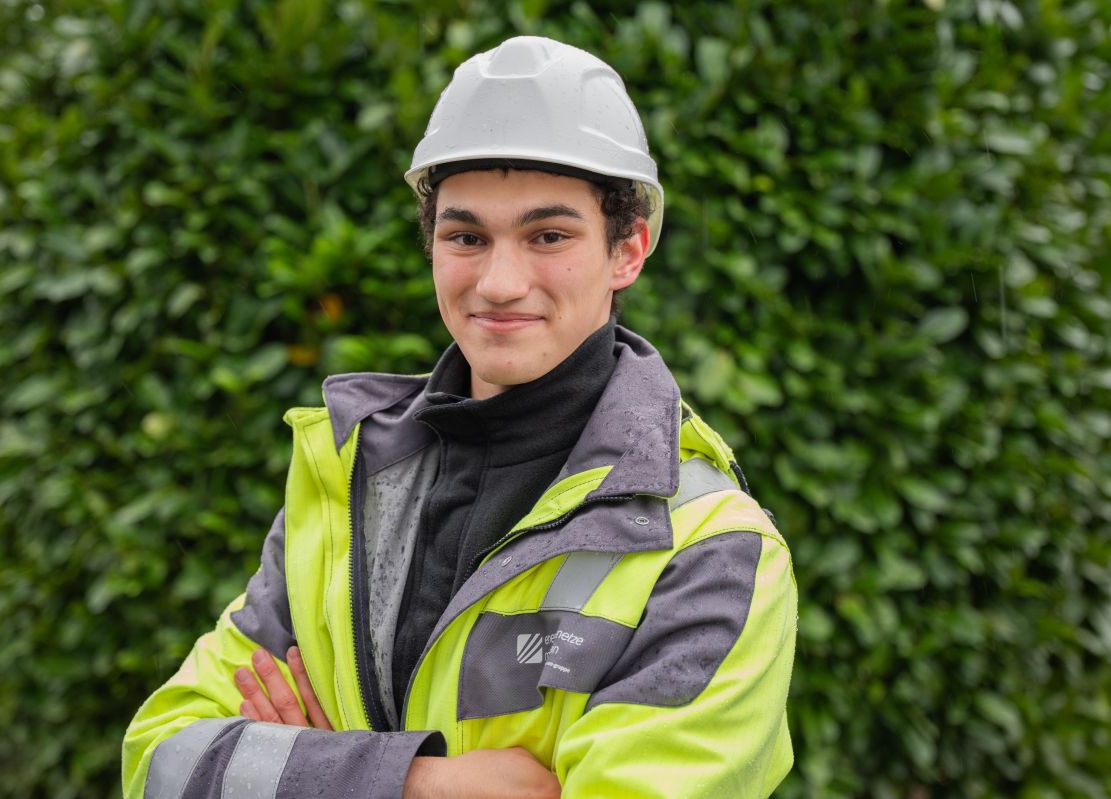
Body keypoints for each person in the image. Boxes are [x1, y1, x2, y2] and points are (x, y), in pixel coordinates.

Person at [123, 35, 797, 799]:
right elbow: (161, 759)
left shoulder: (708, 549)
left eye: (548, 236)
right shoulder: (351, 483)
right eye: (466, 236)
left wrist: (304, 767)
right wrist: (414, 781)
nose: (500, 282)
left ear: (628, 248)